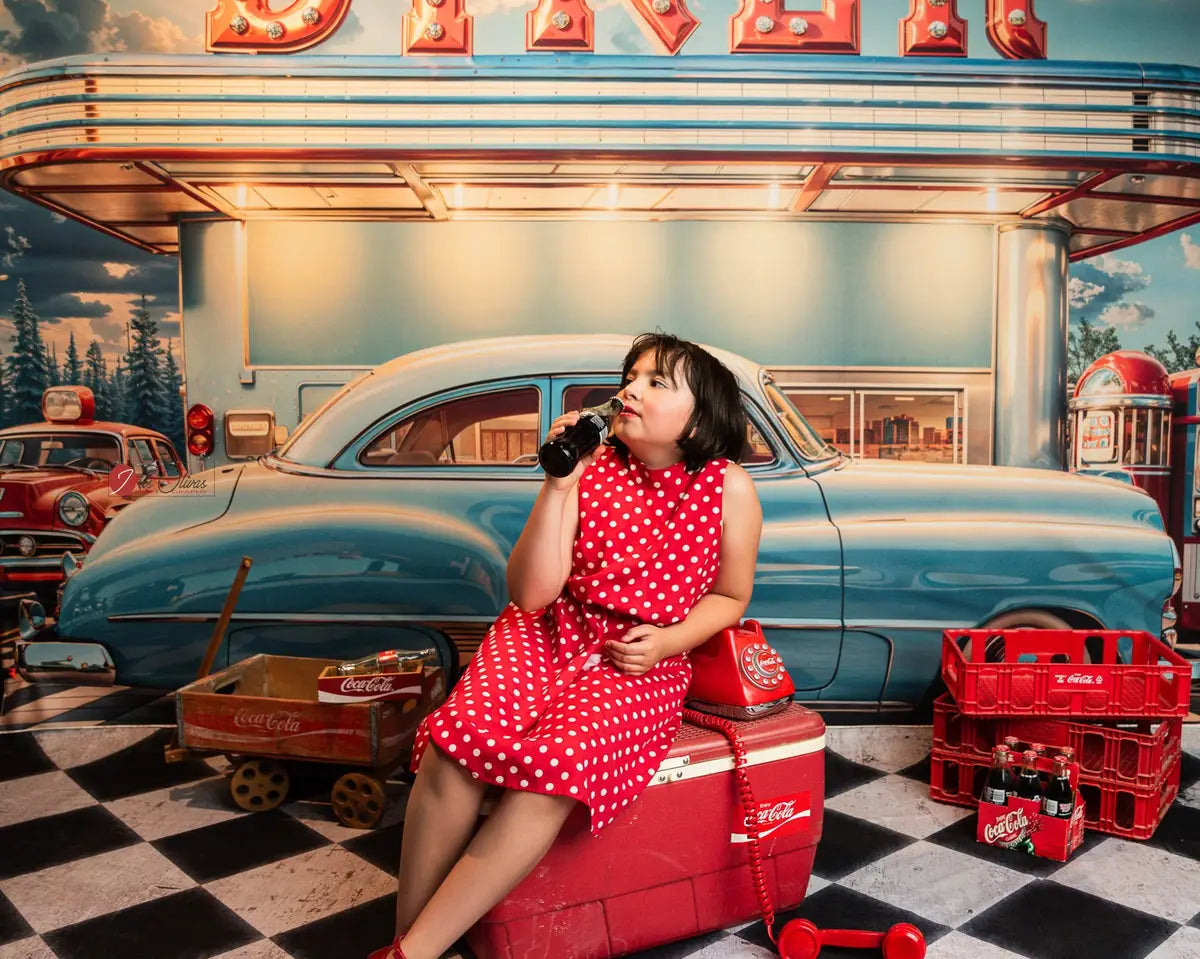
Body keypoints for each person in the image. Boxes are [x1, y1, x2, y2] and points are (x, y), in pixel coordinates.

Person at [370, 332, 764, 959]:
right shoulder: (590, 467)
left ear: (700, 419)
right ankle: (409, 945)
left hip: (636, 660)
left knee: (552, 770)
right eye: (631, 377)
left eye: (657, 382)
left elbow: (730, 595)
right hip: (546, 631)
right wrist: (558, 486)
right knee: (453, 744)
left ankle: (414, 952)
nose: (630, 390)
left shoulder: (729, 488)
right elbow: (531, 595)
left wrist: (669, 642)